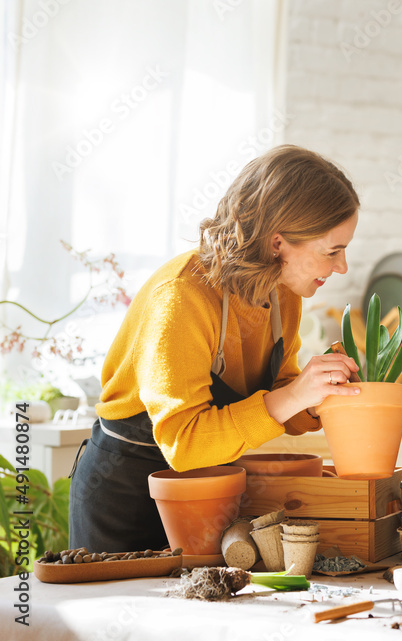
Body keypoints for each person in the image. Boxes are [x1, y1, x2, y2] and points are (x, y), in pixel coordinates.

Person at [69, 145, 363, 553]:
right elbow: (185, 444)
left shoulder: (285, 293)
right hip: (125, 496)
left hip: (208, 492)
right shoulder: (182, 296)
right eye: (332, 251)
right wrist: (293, 396)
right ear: (278, 243)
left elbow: (280, 384)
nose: (342, 267)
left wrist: (316, 398)